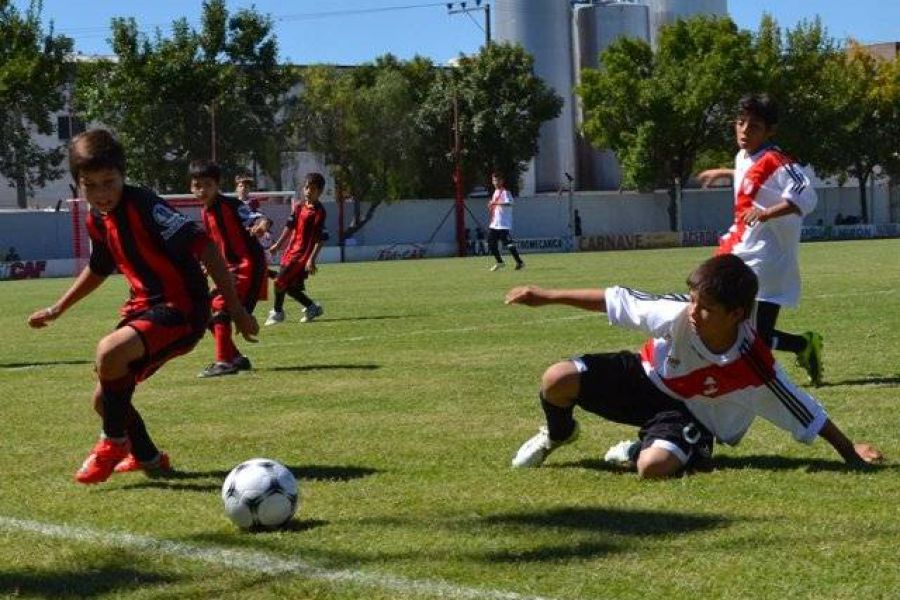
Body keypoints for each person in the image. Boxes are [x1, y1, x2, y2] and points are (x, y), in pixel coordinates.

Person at [505, 254, 883, 478]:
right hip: (645, 377)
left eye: (705, 308)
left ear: (736, 314)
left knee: (652, 468)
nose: (693, 312)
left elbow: (802, 407)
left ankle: (641, 449)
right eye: (692, 300)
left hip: (687, 415)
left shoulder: (754, 363)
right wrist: (545, 296)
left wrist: (851, 452)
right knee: (557, 379)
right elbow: (613, 300)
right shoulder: (680, 314)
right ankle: (559, 434)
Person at [27, 129, 258, 484]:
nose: (102, 193)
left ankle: (113, 441)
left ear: (123, 175)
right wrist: (57, 308)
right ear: (78, 184)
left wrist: (238, 311)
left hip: (181, 309)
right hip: (143, 309)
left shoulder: (145, 205)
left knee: (109, 353)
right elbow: (99, 267)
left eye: (109, 182)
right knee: (105, 401)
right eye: (91, 185)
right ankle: (148, 457)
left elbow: (206, 247)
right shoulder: (97, 220)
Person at [698, 93, 823, 386]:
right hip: (740, 247)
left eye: (753, 126)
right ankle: (730, 370)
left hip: (771, 258)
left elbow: (807, 197)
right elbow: (750, 174)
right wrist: (726, 173)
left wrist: (766, 214)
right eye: (740, 123)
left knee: (758, 335)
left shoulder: (779, 161)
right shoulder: (743, 156)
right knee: (716, 305)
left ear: (769, 131)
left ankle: (801, 347)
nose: (744, 130)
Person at [190, 160, 267, 377]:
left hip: (246, 266)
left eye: (207, 185)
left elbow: (256, 217)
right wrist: (207, 266)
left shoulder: (230, 205)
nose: (202, 190)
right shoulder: (205, 212)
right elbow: (214, 244)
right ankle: (234, 357)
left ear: (217, 185)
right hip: (228, 269)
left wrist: (262, 225)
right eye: (197, 185)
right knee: (203, 310)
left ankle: (224, 362)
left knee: (220, 305)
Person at [264, 172, 327, 325]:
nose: (307, 191)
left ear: (319, 192)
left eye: (312, 189)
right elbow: (289, 227)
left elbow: (321, 239)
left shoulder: (319, 212)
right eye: (306, 188)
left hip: (301, 256)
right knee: (288, 286)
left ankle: (278, 313)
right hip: (290, 252)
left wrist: (311, 259)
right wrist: (278, 245)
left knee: (279, 281)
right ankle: (312, 307)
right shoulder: (299, 207)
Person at [487, 171, 524, 271]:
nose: (496, 182)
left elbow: (510, 203)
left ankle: (519, 262)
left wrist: (495, 204)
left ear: (502, 181)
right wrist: (492, 206)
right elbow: (497, 207)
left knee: (508, 243)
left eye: (498, 180)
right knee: (490, 242)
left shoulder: (505, 192)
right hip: (495, 224)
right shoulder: (495, 192)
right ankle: (500, 262)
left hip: (503, 224)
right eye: (494, 180)